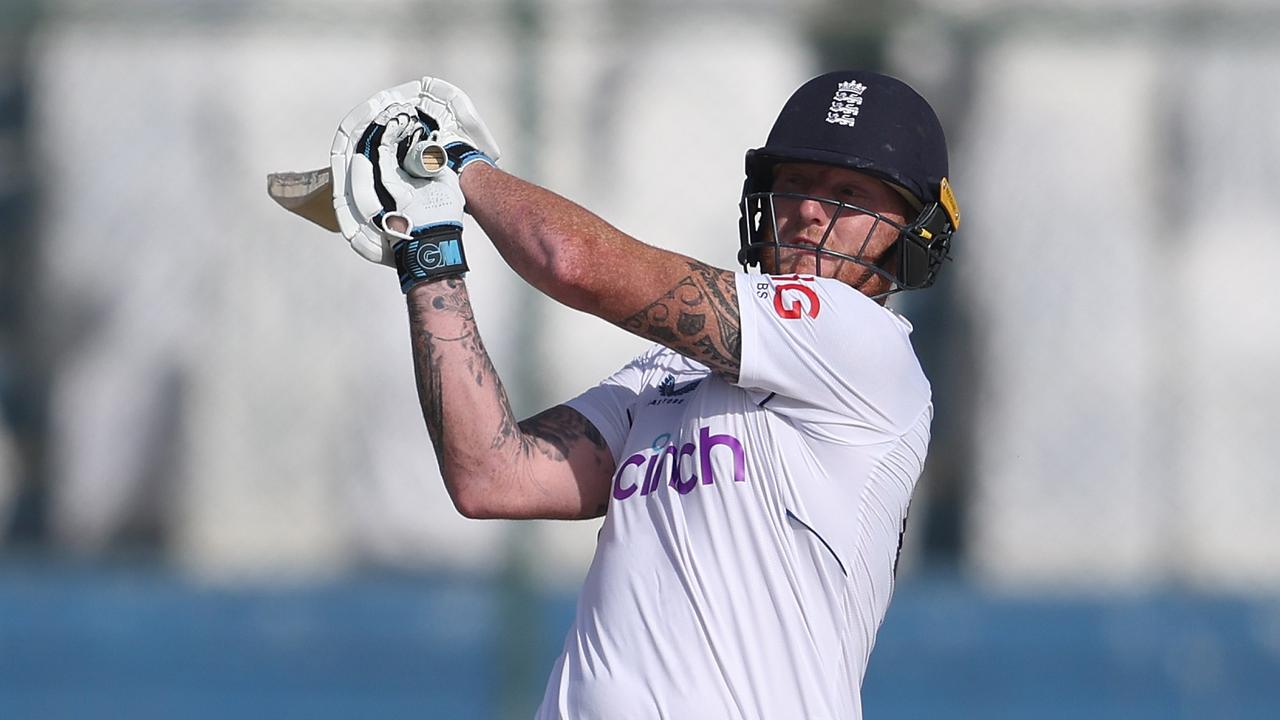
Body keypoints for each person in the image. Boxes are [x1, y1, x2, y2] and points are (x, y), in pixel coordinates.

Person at [344, 70, 959, 719]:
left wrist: (454, 165)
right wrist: (430, 253)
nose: (809, 209)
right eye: (796, 183)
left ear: (911, 230)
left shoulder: (865, 347)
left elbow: (573, 261)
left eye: (848, 193)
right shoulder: (672, 371)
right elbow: (493, 475)